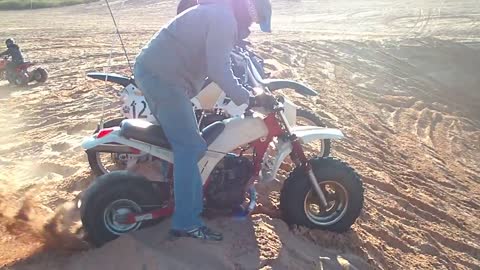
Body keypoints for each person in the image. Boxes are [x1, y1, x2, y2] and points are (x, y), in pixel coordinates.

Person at [134, 0, 272, 241]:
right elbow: (219, 70)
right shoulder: (224, 19)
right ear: (249, 12)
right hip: (164, 79)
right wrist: (247, 99)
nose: (250, 27)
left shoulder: (218, 12)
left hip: (159, 73)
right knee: (192, 147)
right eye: (254, 21)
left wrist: (245, 89)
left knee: (182, 140)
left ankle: (175, 191)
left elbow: (220, 61)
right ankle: (186, 223)